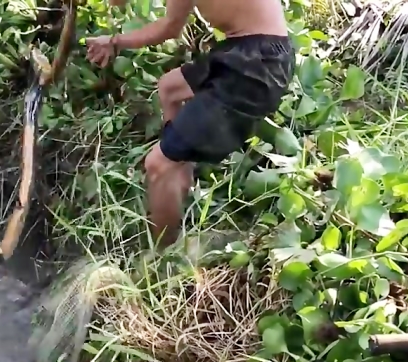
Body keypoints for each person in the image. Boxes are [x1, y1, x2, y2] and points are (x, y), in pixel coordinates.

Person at [85, 0, 294, 248]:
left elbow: (169, 27)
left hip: (258, 64)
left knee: (157, 164)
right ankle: (181, 173)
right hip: (242, 51)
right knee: (170, 87)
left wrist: (115, 41)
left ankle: (164, 253)